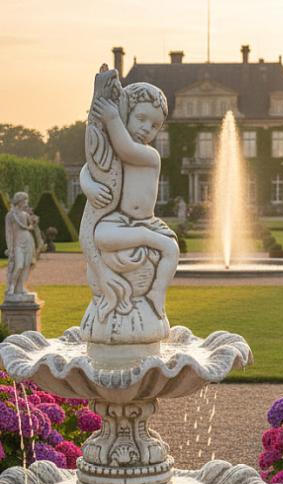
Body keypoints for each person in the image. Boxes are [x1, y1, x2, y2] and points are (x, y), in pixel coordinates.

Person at [80, 82, 178, 321]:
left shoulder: (150, 156)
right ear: (128, 115)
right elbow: (89, 169)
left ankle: (156, 293)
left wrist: (112, 119)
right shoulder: (112, 153)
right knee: (100, 236)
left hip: (147, 224)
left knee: (172, 249)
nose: (147, 129)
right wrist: (90, 187)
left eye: (155, 126)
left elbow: (126, 149)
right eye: (141, 118)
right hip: (119, 222)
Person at [4, 192, 37, 295]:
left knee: (27, 265)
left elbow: (32, 227)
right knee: (19, 266)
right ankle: (11, 287)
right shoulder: (10, 215)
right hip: (18, 243)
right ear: (19, 201)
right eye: (25, 200)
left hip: (28, 241)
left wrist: (34, 222)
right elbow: (8, 232)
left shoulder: (25, 214)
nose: (26, 202)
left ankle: (22, 287)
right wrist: (10, 247)